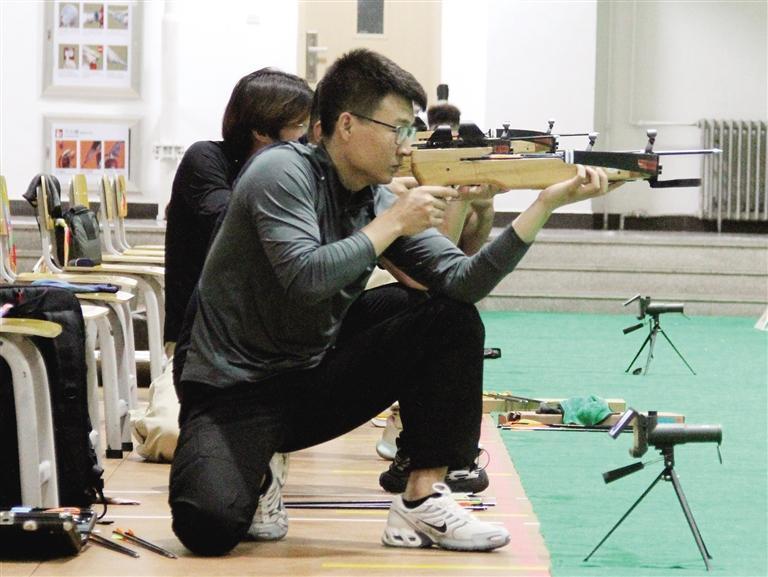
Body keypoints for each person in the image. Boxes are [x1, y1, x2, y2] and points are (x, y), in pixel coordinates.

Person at [169, 48, 611, 556]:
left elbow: (463, 282)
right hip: (232, 386)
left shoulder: (376, 198)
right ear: (347, 125)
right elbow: (305, 278)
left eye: (411, 129)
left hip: (310, 372)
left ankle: (422, 499)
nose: (406, 145)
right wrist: (396, 222)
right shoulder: (280, 171)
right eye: (397, 128)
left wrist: (542, 206)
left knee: (448, 317)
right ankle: (258, 473)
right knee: (206, 528)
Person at [163, 68, 313, 349]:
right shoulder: (205, 158)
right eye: (299, 125)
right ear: (261, 131)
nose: (307, 138)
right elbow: (233, 226)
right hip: (201, 338)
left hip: (262, 329)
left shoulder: (295, 170)